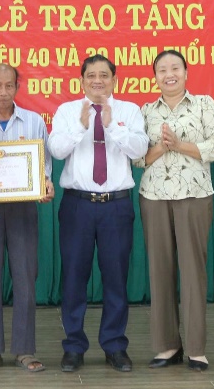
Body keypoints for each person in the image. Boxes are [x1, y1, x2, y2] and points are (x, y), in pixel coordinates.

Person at [47, 54, 148, 373]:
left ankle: (115, 345)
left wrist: (110, 124)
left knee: (116, 278)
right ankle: (73, 346)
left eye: (104, 75)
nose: (98, 81)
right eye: (91, 75)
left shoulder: (129, 111)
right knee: (73, 277)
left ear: (114, 80)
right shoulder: (67, 111)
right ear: (82, 81)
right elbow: (56, 150)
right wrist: (82, 125)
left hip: (116, 206)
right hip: (77, 205)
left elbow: (139, 149)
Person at [136, 50, 214, 372]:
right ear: (155, 77)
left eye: (175, 68)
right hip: (154, 197)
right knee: (159, 271)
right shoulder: (145, 111)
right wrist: (162, 147)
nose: (169, 74)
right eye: (162, 70)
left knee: (192, 271)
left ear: (186, 72)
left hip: (194, 195)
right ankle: (167, 346)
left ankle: (197, 350)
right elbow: (138, 158)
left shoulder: (204, 104)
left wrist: (179, 145)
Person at [0, 64, 55, 373]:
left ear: (18, 87)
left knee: (25, 278)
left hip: (23, 208)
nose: (3, 92)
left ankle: (25, 349)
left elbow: (44, 164)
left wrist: (45, 183)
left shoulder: (33, 122)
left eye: (9, 86)